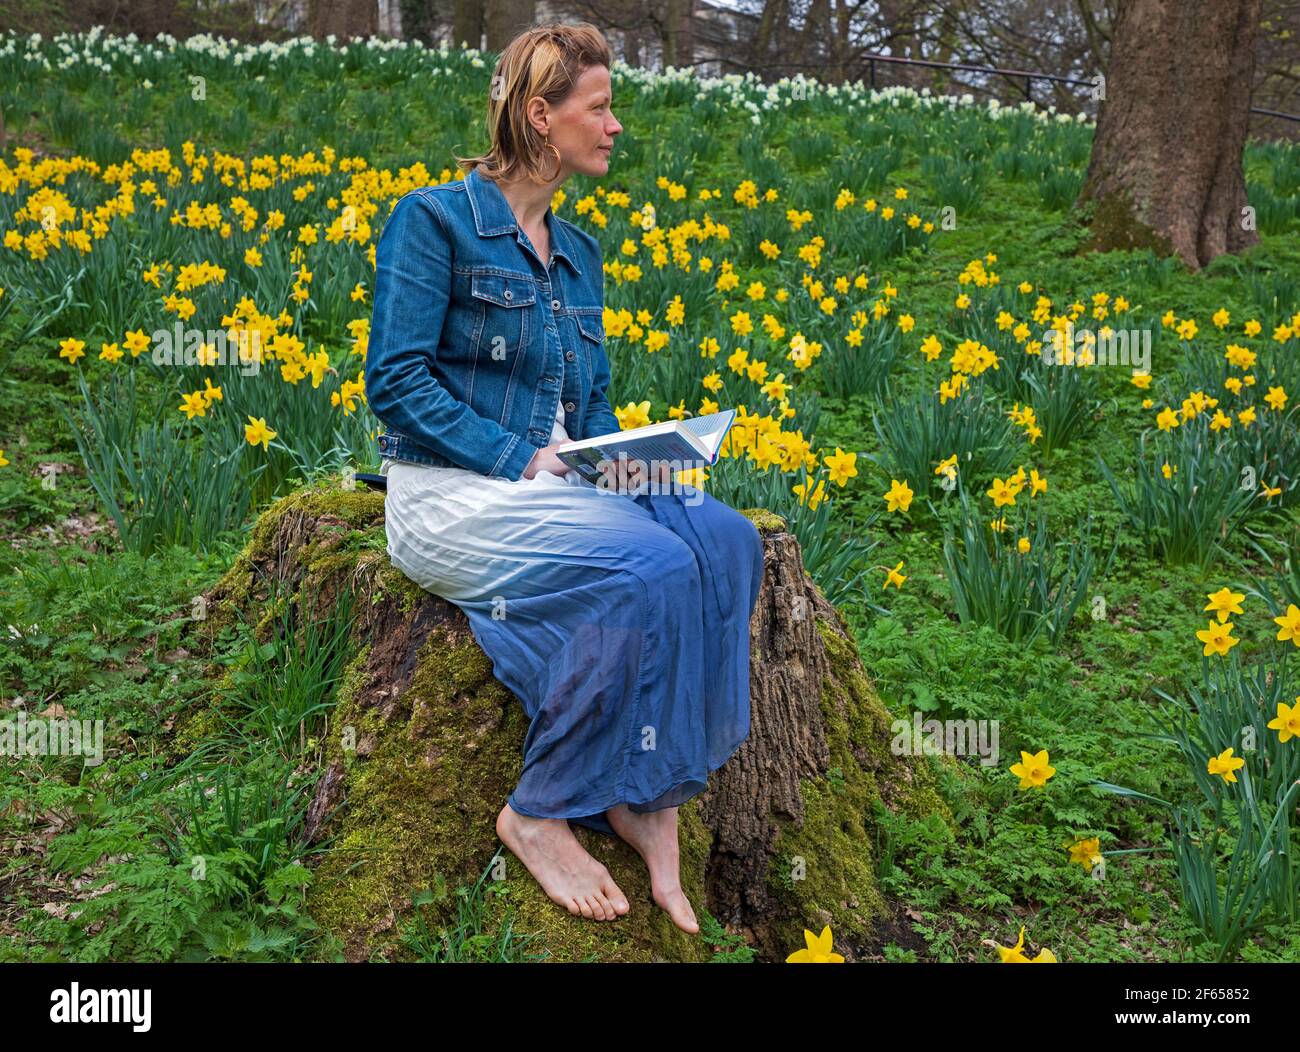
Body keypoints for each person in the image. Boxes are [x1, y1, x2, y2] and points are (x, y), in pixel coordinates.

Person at [364, 21, 765, 935]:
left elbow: (590, 413)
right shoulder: (434, 222)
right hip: (454, 493)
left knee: (728, 540)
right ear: (541, 116)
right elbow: (394, 383)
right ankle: (539, 809)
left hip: (555, 484)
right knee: (651, 567)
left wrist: (637, 459)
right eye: (601, 107)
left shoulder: (577, 254)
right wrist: (522, 458)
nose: (616, 125)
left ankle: (647, 792)